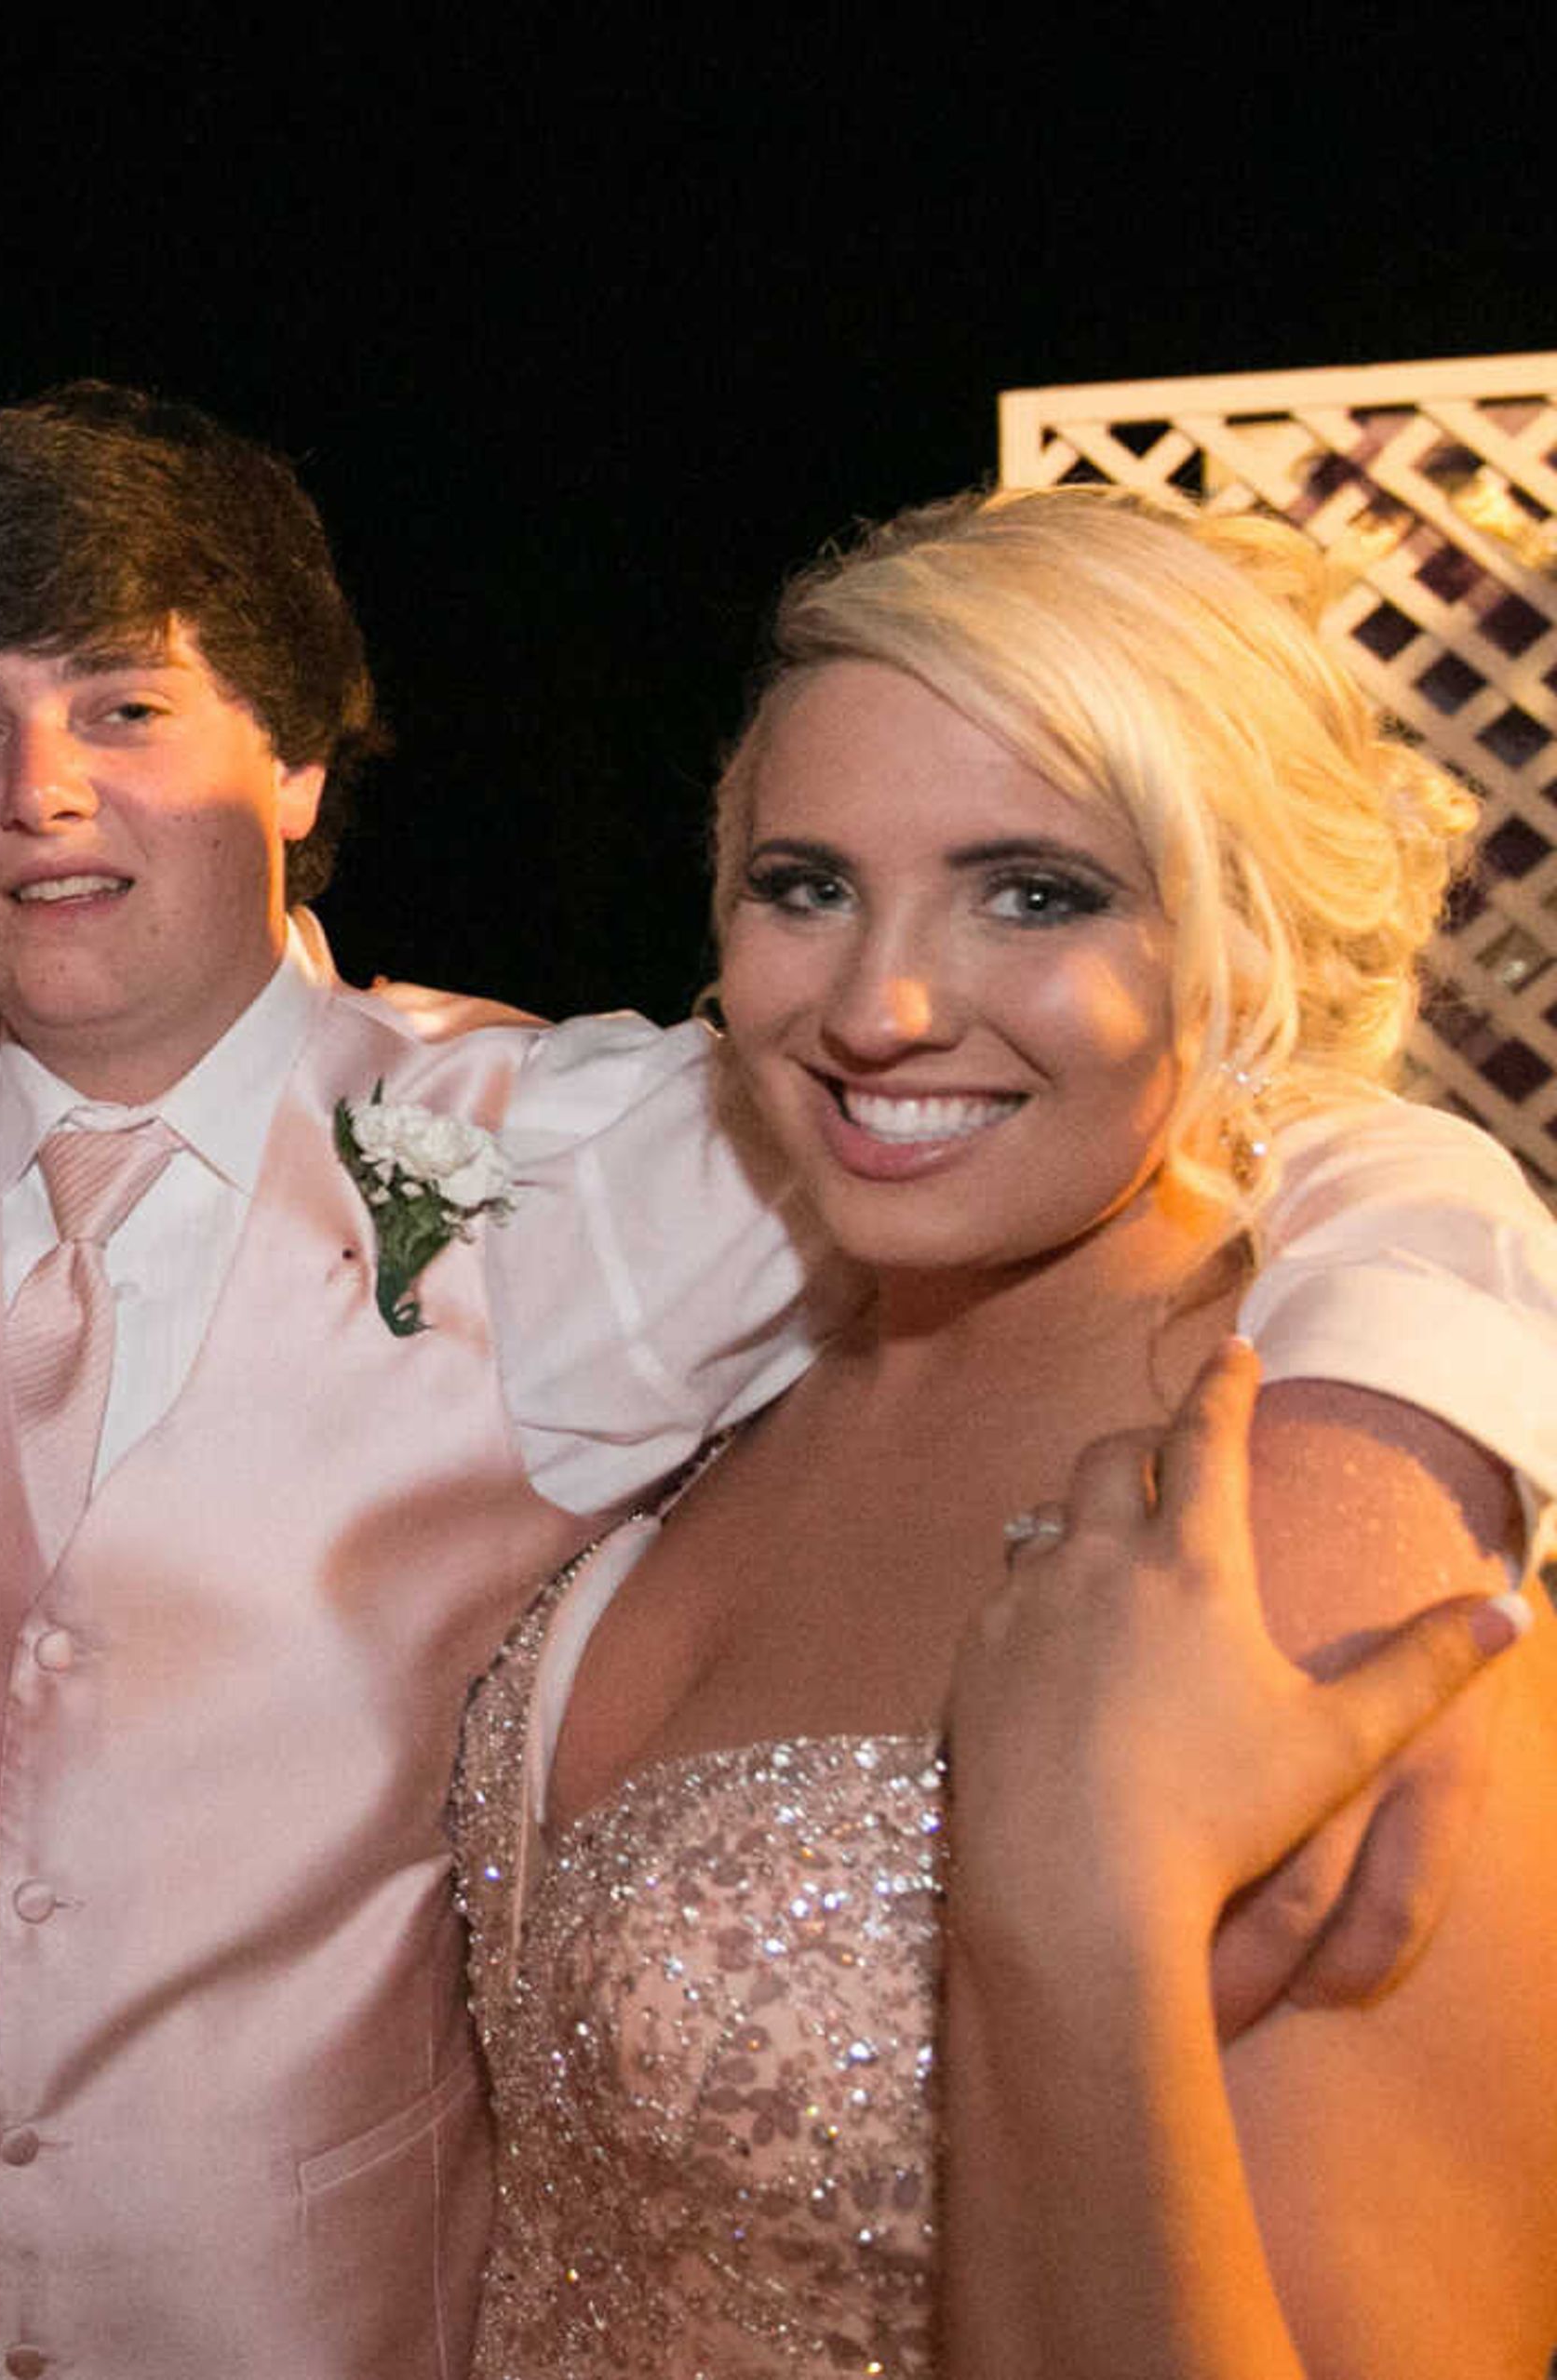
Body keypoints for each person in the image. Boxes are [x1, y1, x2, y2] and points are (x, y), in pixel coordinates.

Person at [0, 390, 1555, 2378]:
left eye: (128, 708)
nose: (45, 789)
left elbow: (1288, 1137)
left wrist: (1370, 1484)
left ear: (300, 756)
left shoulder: (598, 1153)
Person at [448, 487, 1555, 2376]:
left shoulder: (1296, 1543)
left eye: (1034, 892)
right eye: (806, 885)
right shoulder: (739, 1386)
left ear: (1245, 940)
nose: (878, 1006)